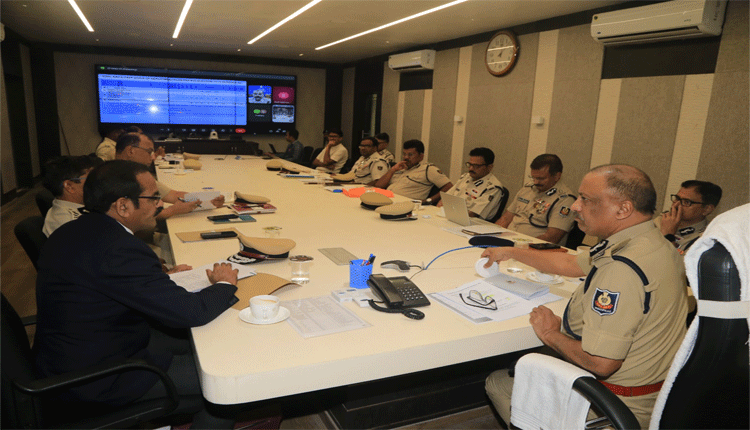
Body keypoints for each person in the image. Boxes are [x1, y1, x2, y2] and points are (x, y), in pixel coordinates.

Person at [34, 160, 241, 428]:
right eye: (153, 198)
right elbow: (191, 312)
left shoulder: (76, 230)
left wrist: (157, 278)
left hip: (73, 356)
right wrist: (224, 284)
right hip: (97, 381)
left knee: (196, 344)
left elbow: (107, 283)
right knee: (225, 385)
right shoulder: (119, 248)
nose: (160, 204)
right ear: (123, 206)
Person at [482, 164, 688, 429]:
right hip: (660, 396)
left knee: (499, 382)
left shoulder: (621, 269)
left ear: (623, 209)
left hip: (615, 404)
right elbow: (571, 264)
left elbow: (601, 363)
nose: (575, 206)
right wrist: (511, 251)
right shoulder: (652, 242)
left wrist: (550, 334)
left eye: (586, 199)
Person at [115, 132, 224, 220]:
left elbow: (173, 195)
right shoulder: (115, 178)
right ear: (131, 151)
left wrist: (208, 200)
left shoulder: (135, 173)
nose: (153, 158)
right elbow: (134, 218)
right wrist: (172, 211)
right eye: (149, 152)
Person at [495, 154, 576, 245]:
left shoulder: (565, 200)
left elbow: (551, 238)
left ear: (557, 176)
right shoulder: (527, 189)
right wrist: (493, 237)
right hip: (508, 241)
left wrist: (520, 247)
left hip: (532, 248)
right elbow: (506, 218)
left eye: (541, 178)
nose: (536, 182)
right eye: (533, 177)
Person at [374, 139, 453, 204]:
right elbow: (378, 186)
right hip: (385, 200)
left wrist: (429, 201)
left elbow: (449, 187)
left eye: (410, 155)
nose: (406, 157)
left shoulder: (428, 169)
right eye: (404, 154)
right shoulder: (400, 168)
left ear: (421, 156)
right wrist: (393, 170)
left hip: (406, 205)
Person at [655, 180, 722, 254]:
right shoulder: (659, 221)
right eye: (677, 198)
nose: (675, 205)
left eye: (686, 202)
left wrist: (668, 237)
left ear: (707, 209)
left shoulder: (708, 240)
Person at [437, 147, 504, 220]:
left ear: (489, 167)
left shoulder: (493, 187)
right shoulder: (465, 177)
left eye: (476, 166)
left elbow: (473, 214)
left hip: (472, 222)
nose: (471, 168)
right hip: (452, 217)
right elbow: (444, 199)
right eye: (469, 164)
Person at [42, 155, 101, 236]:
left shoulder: (80, 205)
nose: (97, 182)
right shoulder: (68, 222)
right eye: (90, 178)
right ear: (69, 186)